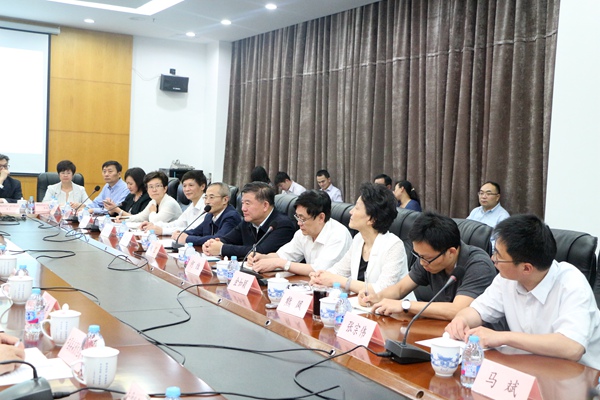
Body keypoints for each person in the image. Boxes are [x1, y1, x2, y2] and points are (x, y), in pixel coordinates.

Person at [446, 214, 600, 370]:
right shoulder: (506, 279)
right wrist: (462, 320)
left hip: (577, 375)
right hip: (530, 368)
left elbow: (572, 347)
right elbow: (478, 310)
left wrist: (503, 337)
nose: (493, 259)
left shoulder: (572, 285)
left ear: (526, 268)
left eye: (499, 255)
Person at [359, 211, 496, 320]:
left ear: (451, 252)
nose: (421, 262)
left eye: (426, 258)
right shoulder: (427, 257)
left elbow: (457, 310)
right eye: (418, 256)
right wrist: (377, 297)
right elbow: (400, 289)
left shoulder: (479, 265)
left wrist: (405, 305)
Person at [309, 182, 407, 294]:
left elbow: (382, 289)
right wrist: (320, 276)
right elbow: (339, 271)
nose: (351, 212)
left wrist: (338, 280)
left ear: (372, 219)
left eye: (356, 208)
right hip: (360, 303)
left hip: (392, 305)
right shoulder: (359, 239)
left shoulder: (394, 246)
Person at [248, 190, 352, 276]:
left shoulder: (338, 234)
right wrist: (263, 258)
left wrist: (279, 263)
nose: (299, 223)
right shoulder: (303, 233)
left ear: (321, 217)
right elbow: (283, 255)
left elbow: (319, 270)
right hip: (312, 285)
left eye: (303, 218)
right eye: (297, 217)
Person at [202, 181, 295, 259]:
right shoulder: (248, 221)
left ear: (265, 205)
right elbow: (228, 239)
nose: (243, 208)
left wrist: (222, 249)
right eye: (242, 203)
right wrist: (212, 244)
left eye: (247, 203)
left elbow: (261, 251)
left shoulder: (283, 225)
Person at [173, 182, 242, 246]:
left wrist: (187, 239)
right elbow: (196, 232)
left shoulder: (232, 217)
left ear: (225, 200)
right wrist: (181, 234)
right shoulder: (209, 215)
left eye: (211, 197)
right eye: (205, 197)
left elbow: (218, 239)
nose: (207, 202)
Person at [141, 170, 207, 235]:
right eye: (184, 186)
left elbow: (193, 230)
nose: (187, 189)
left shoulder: (206, 205)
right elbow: (178, 224)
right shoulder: (192, 205)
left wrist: (163, 231)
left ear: (202, 186)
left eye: (191, 185)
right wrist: (154, 225)